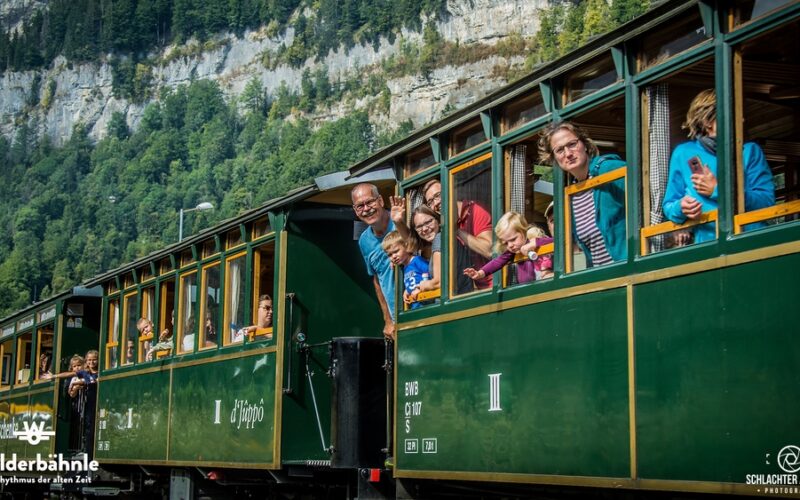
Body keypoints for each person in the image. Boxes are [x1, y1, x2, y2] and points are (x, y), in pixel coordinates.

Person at [663, 89, 775, 243]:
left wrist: (718, 190)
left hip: (751, 242)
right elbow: (669, 206)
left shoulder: (749, 151)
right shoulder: (682, 153)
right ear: (707, 121)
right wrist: (680, 208)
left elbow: (767, 202)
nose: (742, 119)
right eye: (733, 113)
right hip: (707, 246)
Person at [538, 121, 627, 268]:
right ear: (554, 159)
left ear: (584, 144)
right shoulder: (572, 194)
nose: (568, 153)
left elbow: (646, 194)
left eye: (572, 144)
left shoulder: (608, 169)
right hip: (602, 276)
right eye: (560, 150)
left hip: (627, 271)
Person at [418, 179, 493, 293]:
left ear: (451, 192)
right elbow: (415, 242)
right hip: (470, 291)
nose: (435, 203)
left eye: (438, 195)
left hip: (492, 286)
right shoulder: (442, 224)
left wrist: (455, 230)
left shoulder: (474, 211)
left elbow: (489, 251)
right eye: (430, 202)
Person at [352, 183, 396, 340]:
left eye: (370, 202)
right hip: (395, 315)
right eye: (360, 206)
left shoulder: (399, 221)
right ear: (355, 211)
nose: (366, 209)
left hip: (417, 304)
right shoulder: (364, 241)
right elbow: (377, 279)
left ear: (381, 201)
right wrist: (388, 320)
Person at [463, 211, 553, 285]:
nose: (510, 245)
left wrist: (535, 243)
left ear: (524, 232)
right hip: (526, 288)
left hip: (544, 284)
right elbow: (497, 262)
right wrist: (480, 273)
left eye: (513, 239)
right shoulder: (511, 253)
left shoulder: (536, 242)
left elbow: (556, 241)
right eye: (505, 243)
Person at [381, 231, 430, 310]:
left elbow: (431, 274)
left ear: (407, 246)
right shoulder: (404, 267)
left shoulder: (417, 261)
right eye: (389, 255)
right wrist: (407, 291)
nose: (393, 256)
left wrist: (420, 288)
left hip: (428, 304)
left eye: (396, 251)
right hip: (416, 307)